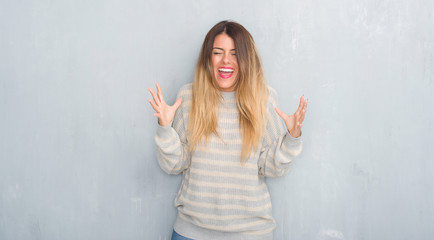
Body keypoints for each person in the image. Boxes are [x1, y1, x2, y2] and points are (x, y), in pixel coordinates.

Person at [148, 20, 308, 240]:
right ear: (208, 58)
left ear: (246, 59)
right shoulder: (189, 98)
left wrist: (291, 139)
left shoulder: (263, 100)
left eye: (235, 53)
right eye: (218, 52)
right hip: (191, 233)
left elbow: (271, 169)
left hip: (251, 234)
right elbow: (174, 165)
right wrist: (165, 129)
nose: (226, 61)